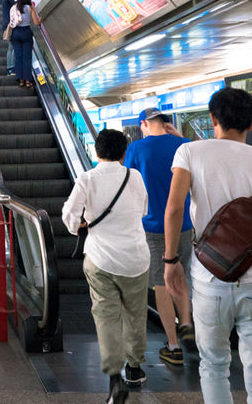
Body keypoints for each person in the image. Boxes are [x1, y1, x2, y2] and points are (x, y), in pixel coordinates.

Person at [164, 87, 252, 404]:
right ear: (251, 125)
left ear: (213, 119)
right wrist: (251, 242)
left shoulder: (189, 153)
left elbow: (173, 209)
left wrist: (171, 261)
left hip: (210, 281)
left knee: (213, 366)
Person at [63, 129, 150, 404]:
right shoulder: (134, 177)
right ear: (124, 153)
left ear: (96, 153)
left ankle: (115, 380)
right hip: (135, 257)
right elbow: (144, 210)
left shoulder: (87, 179)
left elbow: (69, 217)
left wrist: (82, 224)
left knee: (106, 316)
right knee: (136, 314)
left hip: (101, 259)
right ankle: (134, 368)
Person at [123, 109, 195, 366]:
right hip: (184, 223)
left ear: (144, 124)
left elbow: (128, 183)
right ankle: (186, 321)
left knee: (161, 283)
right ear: (166, 124)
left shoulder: (137, 149)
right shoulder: (184, 145)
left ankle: (173, 345)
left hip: (152, 225)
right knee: (181, 274)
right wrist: (179, 137)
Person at [9, 0, 41, 89]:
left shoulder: (14, 7)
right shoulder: (30, 8)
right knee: (27, 57)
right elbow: (36, 23)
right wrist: (40, 18)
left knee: (18, 56)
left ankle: (20, 80)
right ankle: (27, 80)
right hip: (26, 32)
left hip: (16, 33)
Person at [1, 0, 23, 75]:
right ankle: (12, 68)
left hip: (7, 24)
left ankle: (10, 68)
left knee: (11, 46)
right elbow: (18, 6)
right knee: (14, 46)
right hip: (12, 24)